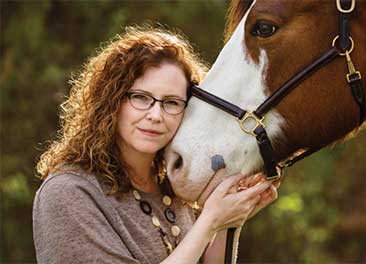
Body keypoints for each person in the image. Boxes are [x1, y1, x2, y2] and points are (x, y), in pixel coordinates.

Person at [33, 25, 278, 264]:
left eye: (171, 102)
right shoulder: (68, 192)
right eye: (141, 98)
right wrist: (210, 221)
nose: (156, 115)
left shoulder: (174, 186)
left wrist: (229, 218)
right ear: (111, 102)